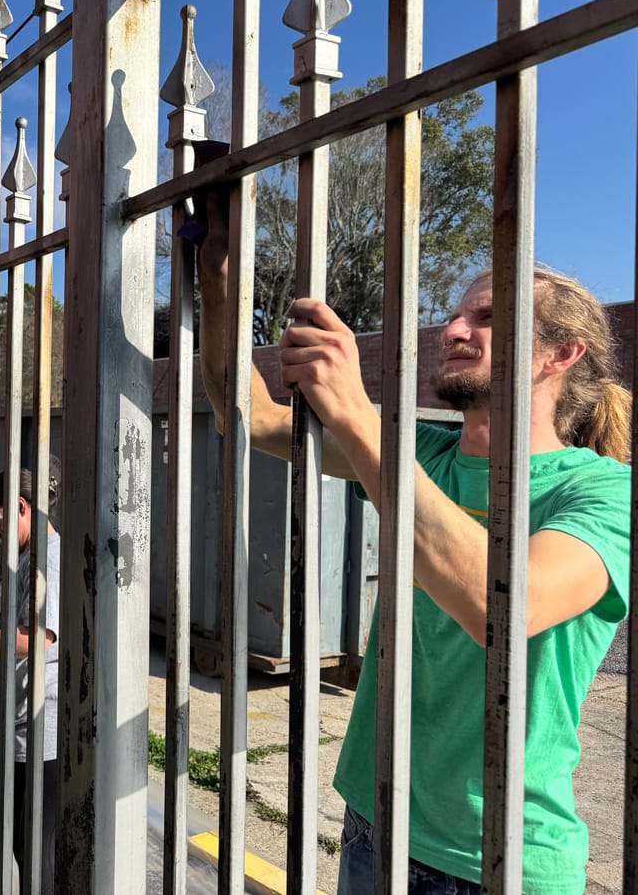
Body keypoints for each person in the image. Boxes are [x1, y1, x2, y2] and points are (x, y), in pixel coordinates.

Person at [198, 205, 630, 894]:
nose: (454, 330)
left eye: (488, 317)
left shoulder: (603, 493)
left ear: (561, 353)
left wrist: (359, 417)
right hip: (375, 820)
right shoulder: (422, 453)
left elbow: (500, 609)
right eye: (459, 315)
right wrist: (217, 274)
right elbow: (243, 416)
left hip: (495, 864)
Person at [0, 464, 62, 895]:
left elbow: (37, 637)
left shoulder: (47, 560)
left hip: (41, 739)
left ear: (21, 509)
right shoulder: (25, 556)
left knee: (36, 858)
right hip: (22, 732)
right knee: (24, 849)